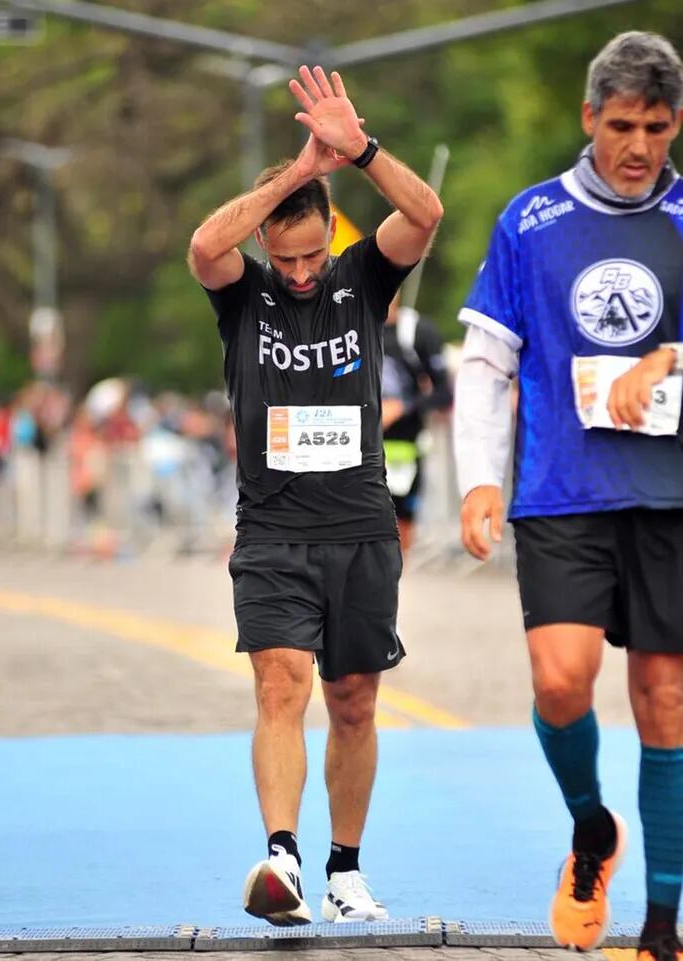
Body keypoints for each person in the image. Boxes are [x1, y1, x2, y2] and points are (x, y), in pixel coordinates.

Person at [188, 64, 443, 926]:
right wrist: (296, 171)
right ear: (267, 244)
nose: (299, 272)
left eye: (311, 255)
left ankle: (345, 871)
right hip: (271, 532)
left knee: (354, 701)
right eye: (285, 257)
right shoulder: (245, 293)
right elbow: (203, 246)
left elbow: (426, 215)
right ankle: (282, 858)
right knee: (280, 685)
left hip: (361, 527)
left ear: (332, 236)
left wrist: (359, 151)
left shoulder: (362, 278)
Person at [454, 32, 683, 961]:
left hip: (669, 497)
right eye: (622, 126)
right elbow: (486, 361)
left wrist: (668, 358)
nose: (638, 147)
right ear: (589, 118)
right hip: (562, 491)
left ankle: (662, 924)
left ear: (676, 125)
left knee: (665, 697)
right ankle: (591, 827)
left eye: (656, 128)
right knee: (559, 680)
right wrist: (479, 477)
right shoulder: (530, 219)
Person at [382, 295, 452, 554]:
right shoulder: (344, 325)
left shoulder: (417, 332)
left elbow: (444, 393)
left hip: (404, 448)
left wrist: (402, 406)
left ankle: (396, 576)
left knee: (400, 521)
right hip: (354, 445)